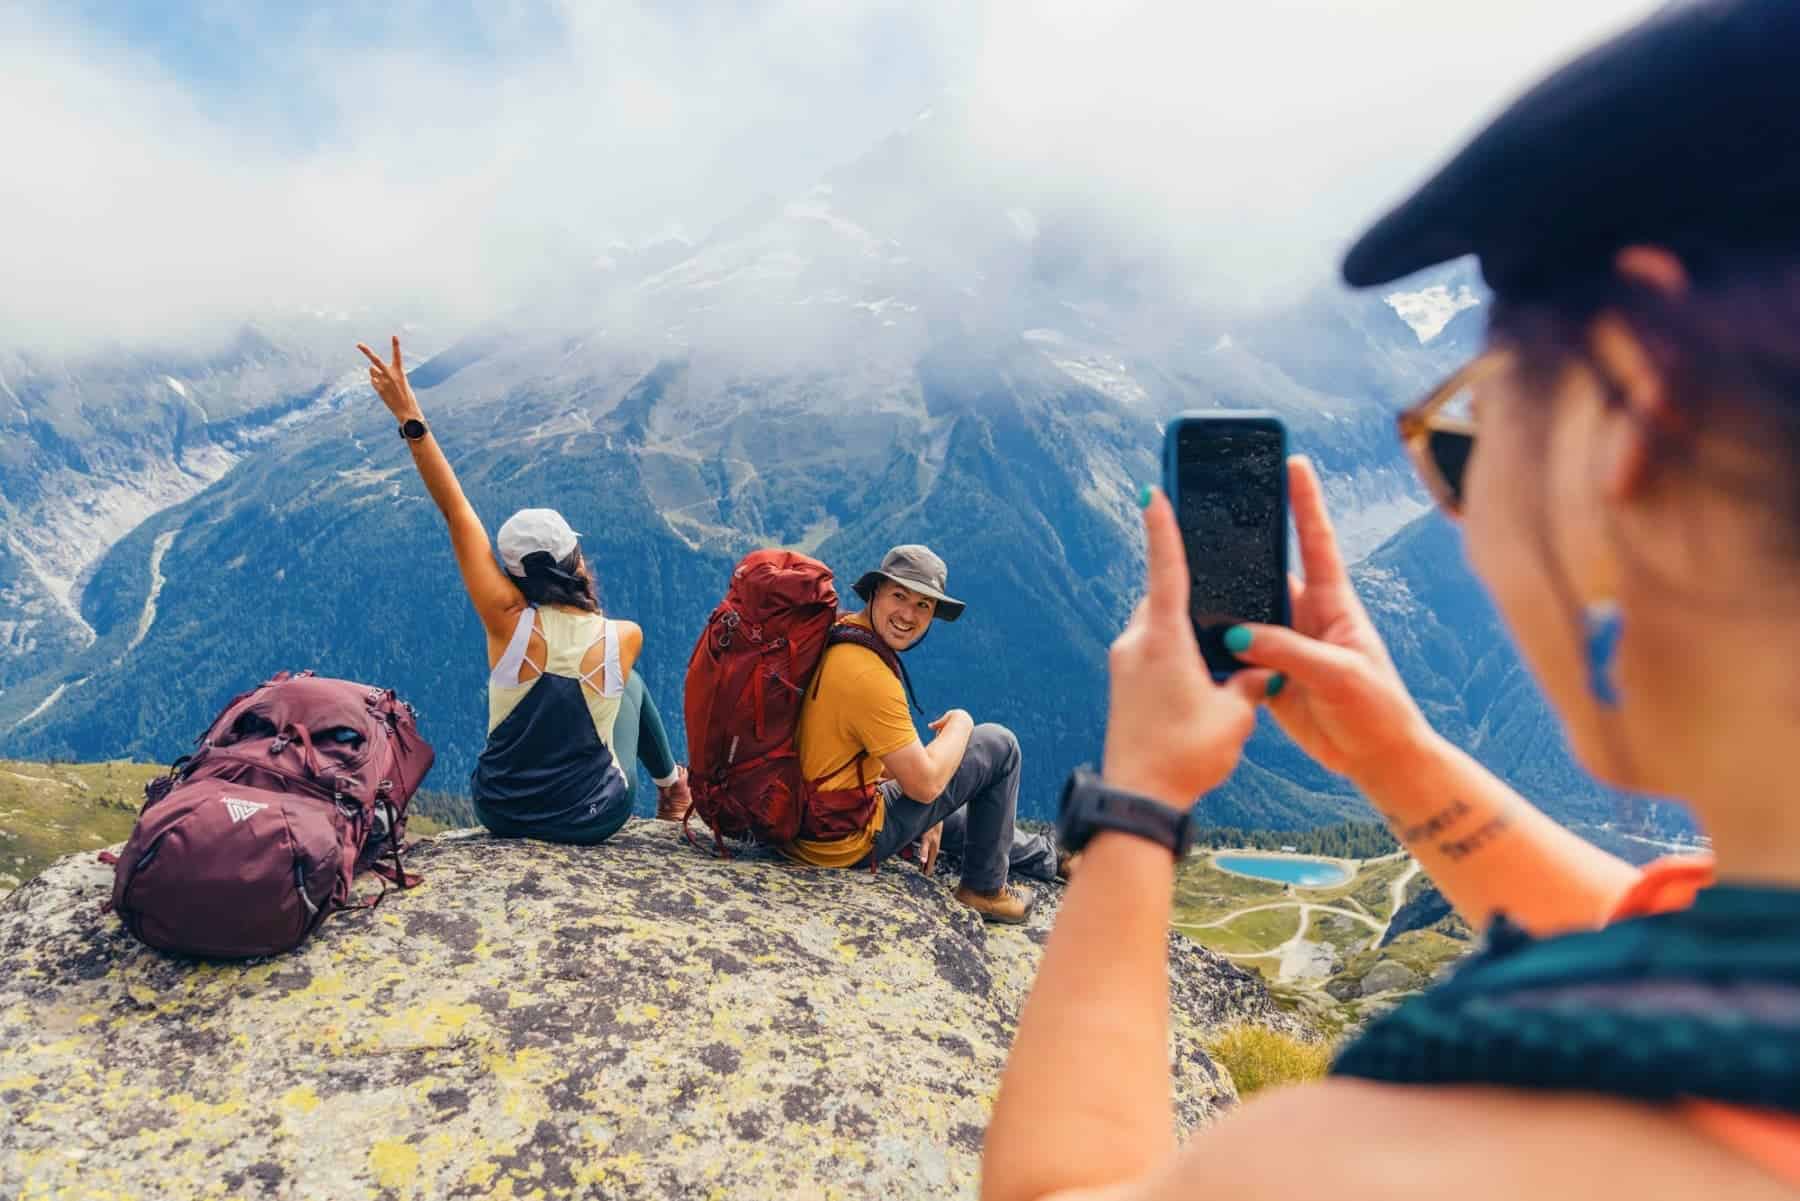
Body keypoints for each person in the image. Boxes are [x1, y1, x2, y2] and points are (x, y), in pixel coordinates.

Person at [984, 2, 1800, 1196]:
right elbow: (1660, 938)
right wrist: (1395, 755)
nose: (1458, 508)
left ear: (1628, 413)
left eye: (1466, 431)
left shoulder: (1401, 1162)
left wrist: (1140, 802)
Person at [357, 336, 693, 844]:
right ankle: (673, 788)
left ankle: (673, 787)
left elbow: (456, 510)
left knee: (617, 685)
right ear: (576, 560)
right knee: (632, 685)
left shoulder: (506, 622)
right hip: (590, 819)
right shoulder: (623, 636)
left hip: (500, 811)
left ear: (512, 575)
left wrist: (410, 416)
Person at [785, 544, 1039, 922]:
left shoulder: (835, 633)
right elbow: (926, 786)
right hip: (837, 841)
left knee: (959, 819)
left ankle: (1052, 858)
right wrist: (962, 721)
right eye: (899, 596)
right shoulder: (869, 676)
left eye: (923, 605)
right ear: (875, 592)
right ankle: (984, 891)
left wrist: (932, 811)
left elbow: (865, 752)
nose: (908, 614)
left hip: (794, 821)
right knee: (1000, 744)